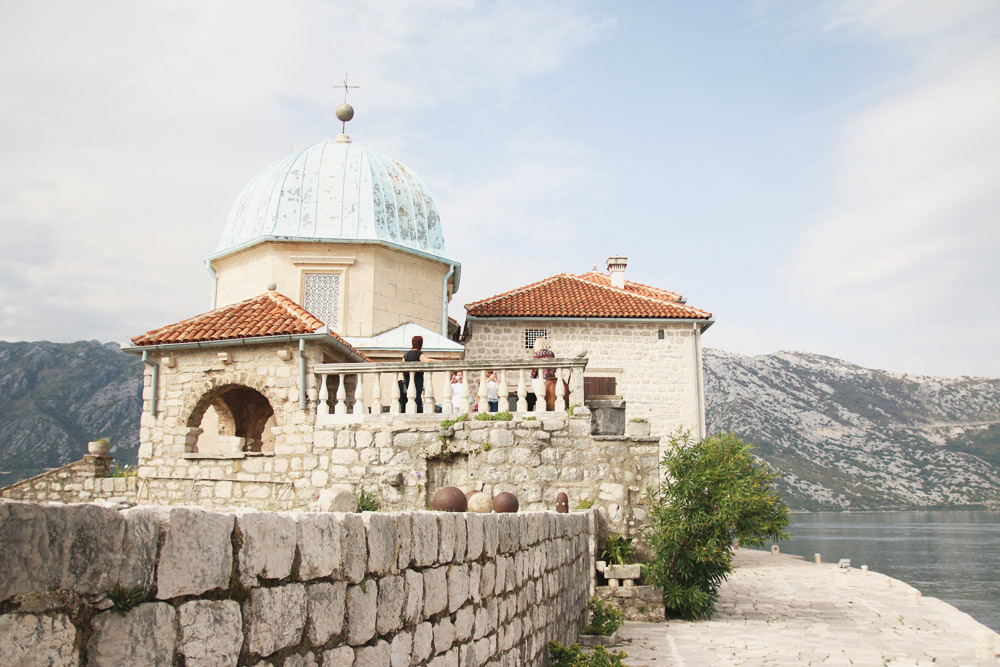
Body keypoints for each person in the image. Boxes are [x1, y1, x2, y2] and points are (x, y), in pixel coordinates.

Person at [400, 336, 431, 413]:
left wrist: (405, 378)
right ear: (421, 344)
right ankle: (419, 413)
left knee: (410, 397)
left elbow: (402, 369)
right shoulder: (419, 354)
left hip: (408, 380)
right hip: (417, 380)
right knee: (417, 398)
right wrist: (439, 361)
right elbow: (426, 361)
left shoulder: (405, 355)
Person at [530, 337, 557, 411]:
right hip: (550, 379)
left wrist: (532, 376)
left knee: (539, 396)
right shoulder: (551, 353)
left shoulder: (537, 354)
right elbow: (554, 367)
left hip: (540, 379)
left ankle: (540, 408)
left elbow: (534, 369)